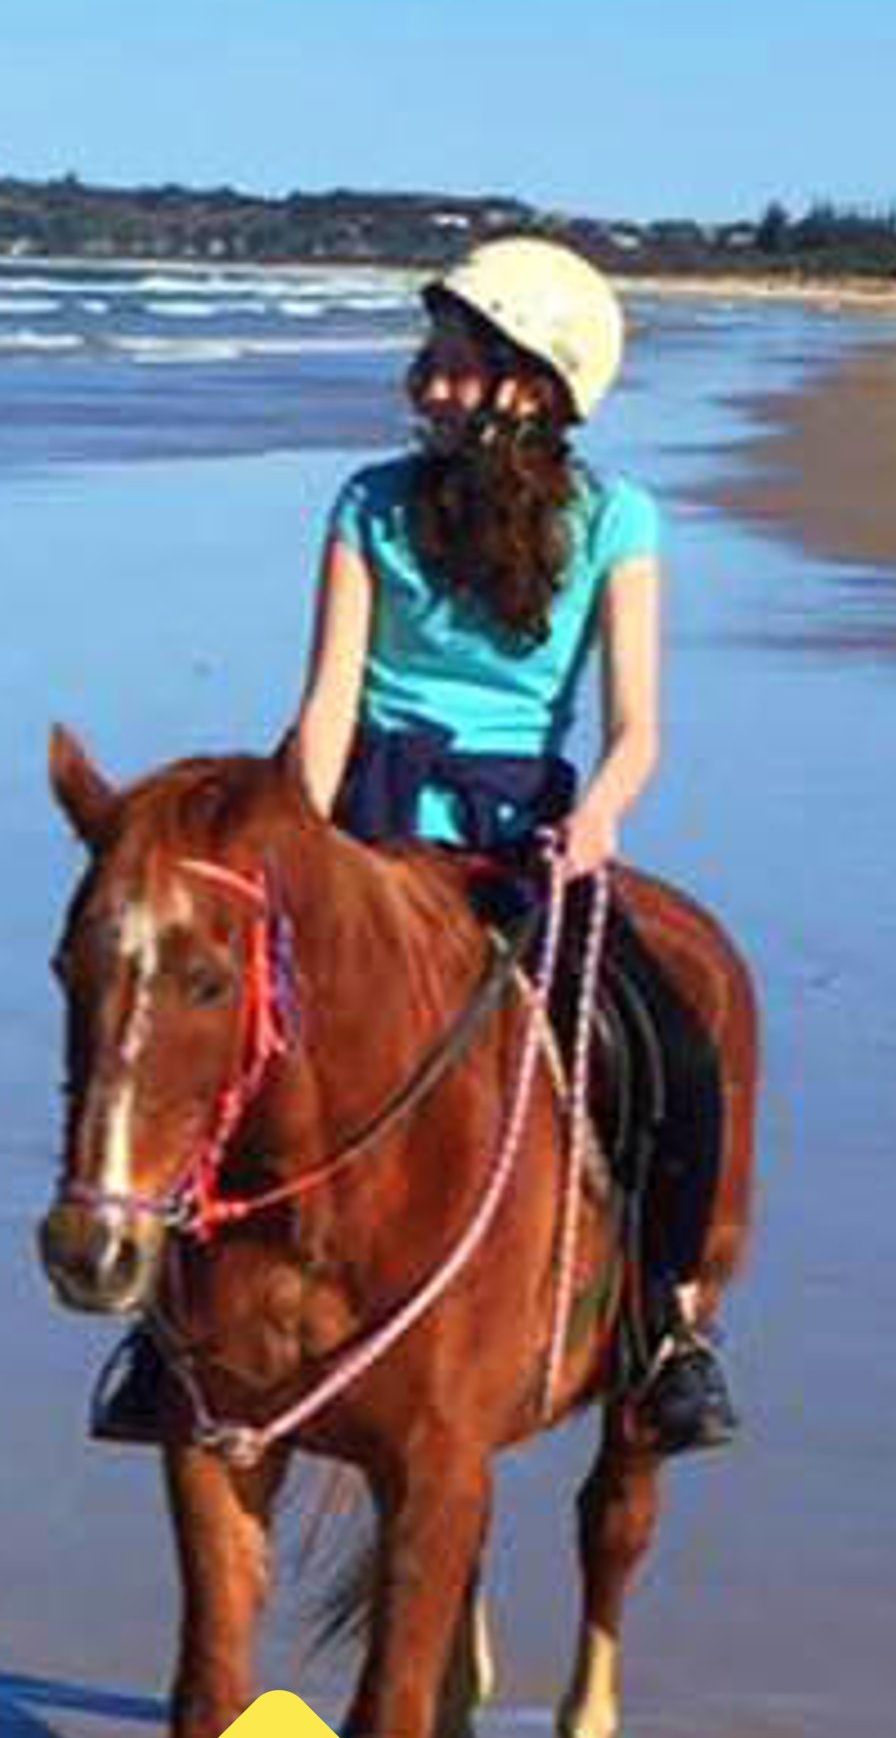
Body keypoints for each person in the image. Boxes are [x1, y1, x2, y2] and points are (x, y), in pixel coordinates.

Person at [93, 234, 730, 1451]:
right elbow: (330, 699)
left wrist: (593, 823)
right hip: (369, 834)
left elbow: (639, 725)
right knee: (212, 1044)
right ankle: (167, 1334)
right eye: (428, 360)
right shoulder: (367, 503)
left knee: (674, 1066)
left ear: (537, 383)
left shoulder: (621, 522)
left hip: (525, 849)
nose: (426, 384)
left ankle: (662, 1335)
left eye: (454, 365)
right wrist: (293, 838)